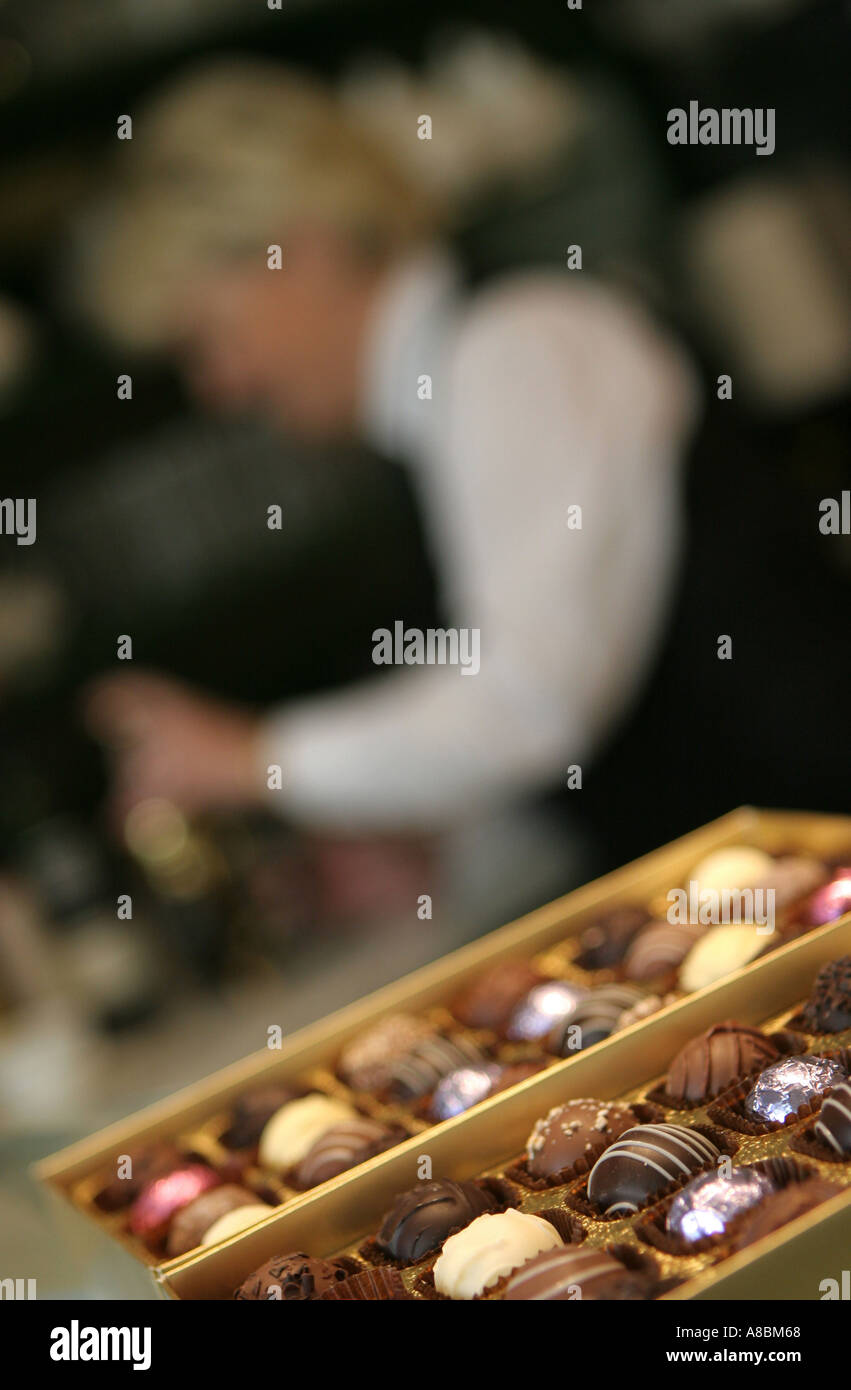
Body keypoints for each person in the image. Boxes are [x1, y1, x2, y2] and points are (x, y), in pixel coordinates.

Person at [80, 59, 699, 914]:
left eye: (209, 337)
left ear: (301, 246)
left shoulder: (511, 350)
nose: (220, 388)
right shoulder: (446, 393)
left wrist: (251, 758)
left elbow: (533, 704)